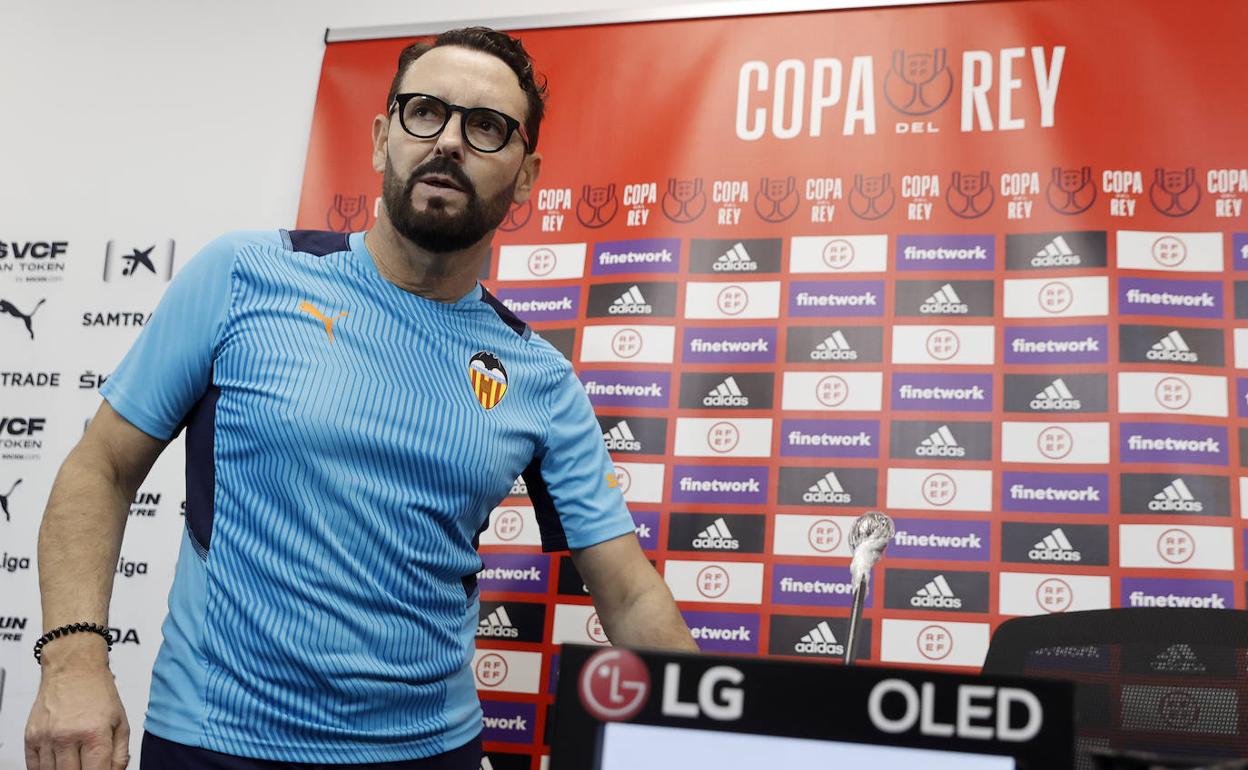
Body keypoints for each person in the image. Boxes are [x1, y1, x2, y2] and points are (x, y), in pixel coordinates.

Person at [24, 26, 697, 770]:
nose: (448, 141)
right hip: (216, 745)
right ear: (382, 139)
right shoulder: (242, 275)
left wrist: (713, 737)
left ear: (527, 174)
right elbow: (102, 468)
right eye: (424, 112)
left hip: (429, 753)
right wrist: (73, 661)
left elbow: (630, 594)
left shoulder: (537, 376)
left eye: (486, 126)